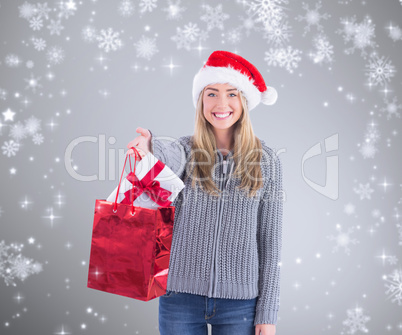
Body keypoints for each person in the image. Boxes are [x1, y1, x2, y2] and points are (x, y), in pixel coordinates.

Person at [127, 50, 284, 335]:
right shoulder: (185, 150)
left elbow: (270, 244)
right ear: (200, 101)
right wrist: (149, 145)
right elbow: (166, 156)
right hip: (179, 300)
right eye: (211, 93)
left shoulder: (267, 161)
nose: (221, 103)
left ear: (245, 101)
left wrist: (268, 313)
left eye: (232, 94)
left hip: (241, 305)